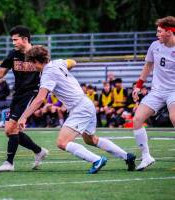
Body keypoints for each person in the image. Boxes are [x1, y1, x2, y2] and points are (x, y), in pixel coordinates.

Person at [18, 45, 136, 174]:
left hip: (80, 107)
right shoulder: (57, 63)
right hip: (86, 103)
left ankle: (97, 160)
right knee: (91, 140)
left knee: (62, 142)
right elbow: (73, 62)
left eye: (32, 63)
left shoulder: (47, 73)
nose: (32, 66)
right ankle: (127, 156)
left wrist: (24, 116)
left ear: (35, 61)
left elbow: (40, 99)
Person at [0, 25, 48, 172]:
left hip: (31, 94)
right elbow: (2, 71)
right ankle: (39, 151)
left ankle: (9, 163)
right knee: (8, 131)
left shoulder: (37, 54)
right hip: (18, 94)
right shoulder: (13, 54)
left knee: (12, 128)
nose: (13, 42)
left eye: (15, 39)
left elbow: (49, 72)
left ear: (25, 39)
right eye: (12, 40)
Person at [132, 16, 175, 171]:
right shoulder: (154, 46)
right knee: (137, 119)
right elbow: (148, 66)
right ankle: (146, 157)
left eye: (159, 31)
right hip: (157, 91)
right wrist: (138, 86)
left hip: (174, 91)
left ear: (169, 32)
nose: (157, 34)